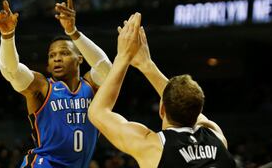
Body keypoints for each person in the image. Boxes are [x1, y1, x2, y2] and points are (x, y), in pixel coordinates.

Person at [88, 13, 236, 168]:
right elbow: (186, 100)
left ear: (162, 109)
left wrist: (123, 56)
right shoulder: (216, 136)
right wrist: (146, 65)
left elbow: (97, 112)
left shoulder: (153, 147)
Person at [0, 0, 112, 168]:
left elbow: (106, 68)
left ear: (80, 58)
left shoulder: (91, 85)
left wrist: (73, 32)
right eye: (52, 55)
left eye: (64, 53)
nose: (57, 59)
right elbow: (11, 71)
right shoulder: (42, 86)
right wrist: (7, 36)